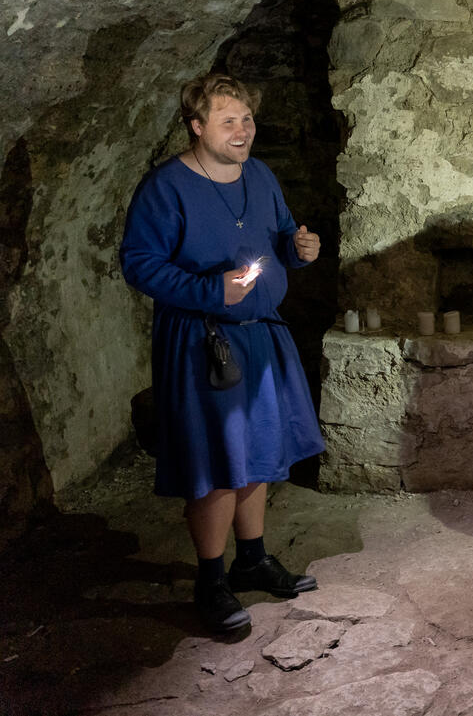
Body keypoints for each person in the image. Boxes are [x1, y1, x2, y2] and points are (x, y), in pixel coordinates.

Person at [120, 72, 325, 633]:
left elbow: (282, 234)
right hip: (202, 342)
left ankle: (252, 560)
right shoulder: (166, 187)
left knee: (258, 452)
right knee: (215, 465)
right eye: (228, 120)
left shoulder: (259, 174)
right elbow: (140, 263)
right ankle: (209, 580)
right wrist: (210, 290)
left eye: (248, 120)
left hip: (261, 334)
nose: (243, 131)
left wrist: (299, 249)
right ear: (196, 126)